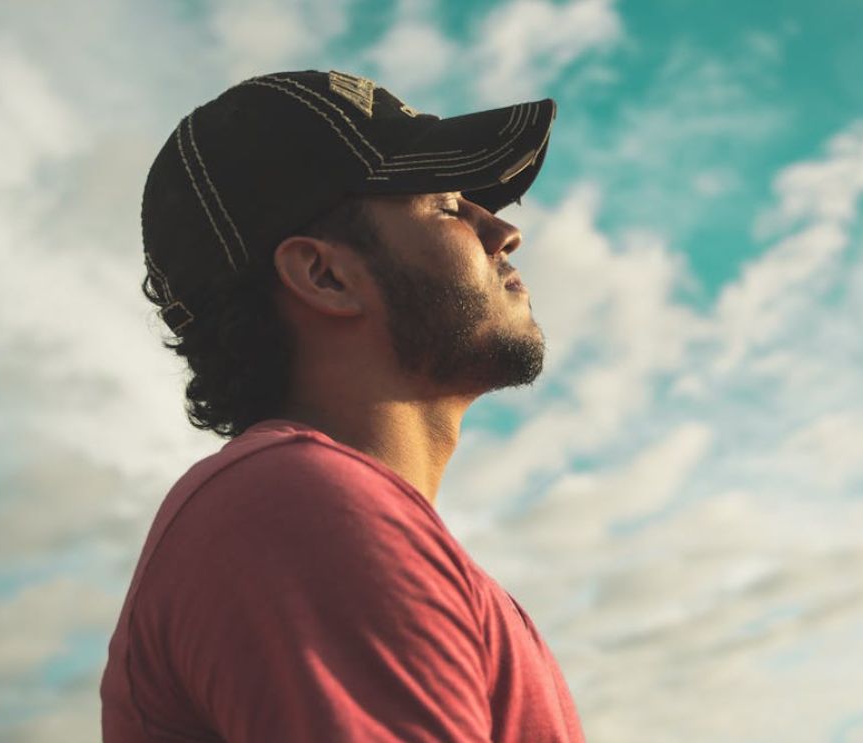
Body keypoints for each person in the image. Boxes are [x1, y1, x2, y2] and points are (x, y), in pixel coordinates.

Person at [99, 69, 584, 742]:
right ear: (324, 276)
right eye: (446, 206)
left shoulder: (325, 515)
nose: (501, 230)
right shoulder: (295, 504)